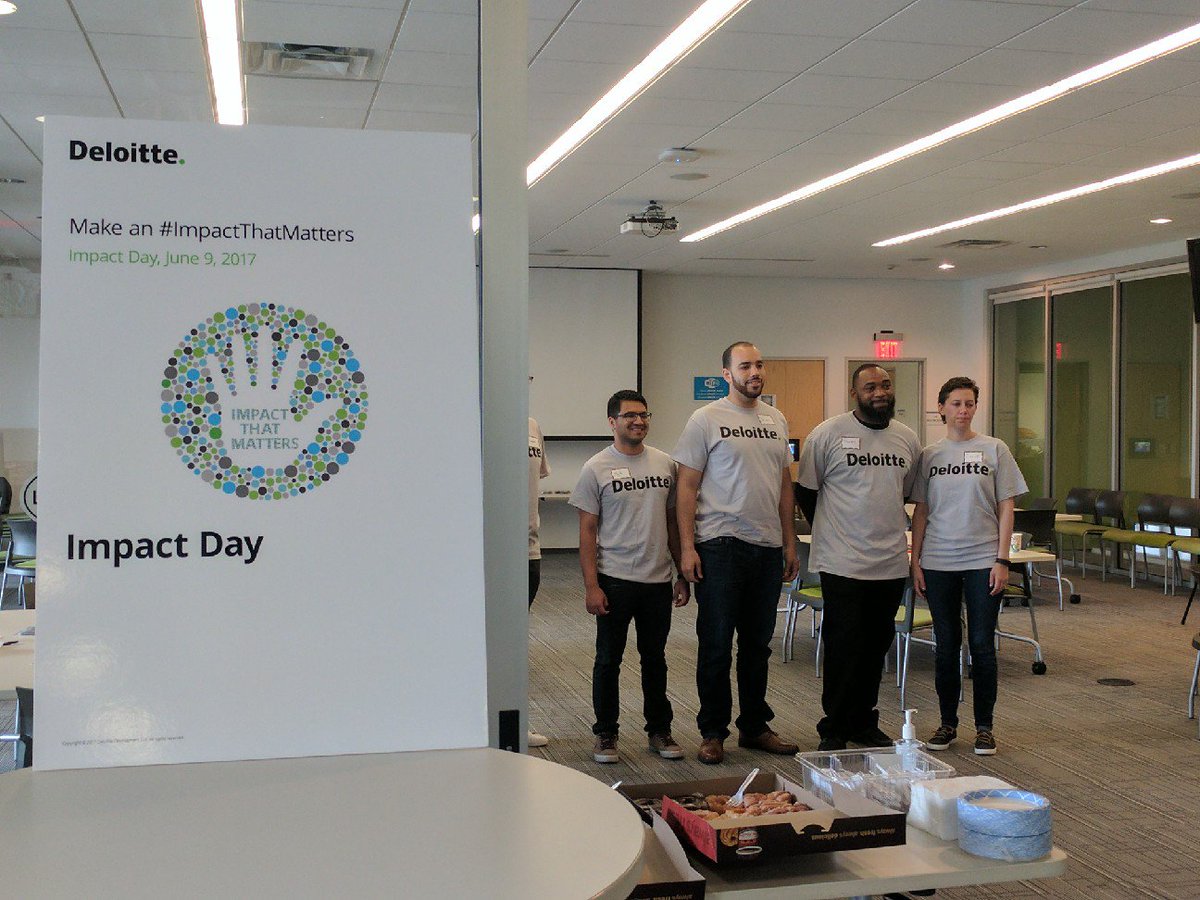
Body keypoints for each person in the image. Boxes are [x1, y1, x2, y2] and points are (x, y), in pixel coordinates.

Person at [673, 342, 800, 764]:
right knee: (716, 644)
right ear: (726, 374)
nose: (755, 372)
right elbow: (686, 487)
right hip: (720, 545)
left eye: (759, 364)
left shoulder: (775, 419)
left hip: (766, 547)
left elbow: (784, 485)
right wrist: (687, 547)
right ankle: (713, 731)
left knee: (757, 646)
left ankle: (754, 726)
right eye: (745, 366)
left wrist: (789, 541)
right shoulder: (706, 419)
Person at [796, 363, 922, 752]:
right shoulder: (827, 434)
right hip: (842, 560)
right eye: (870, 387)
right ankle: (834, 726)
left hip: (889, 561)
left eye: (885, 385)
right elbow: (807, 491)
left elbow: (904, 493)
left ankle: (864, 722)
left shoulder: (907, 439)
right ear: (855, 394)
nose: (879, 392)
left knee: (875, 645)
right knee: (843, 644)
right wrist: (834, 529)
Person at [569, 390, 690, 764]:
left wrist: (681, 574)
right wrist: (591, 586)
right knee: (608, 660)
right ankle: (606, 733)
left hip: (657, 580)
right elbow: (587, 531)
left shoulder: (665, 464)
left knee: (655, 659)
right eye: (629, 416)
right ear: (612, 422)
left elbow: (672, 522)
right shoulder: (596, 468)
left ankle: (659, 730)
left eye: (644, 415)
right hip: (614, 580)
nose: (639, 421)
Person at [909, 376, 1027, 756]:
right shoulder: (929, 455)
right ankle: (947, 723)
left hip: (983, 560)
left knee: (981, 644)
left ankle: (984, 728)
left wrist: (1002, 559)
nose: (963, 410)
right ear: (941, 408)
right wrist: (916, 562)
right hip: (938, 560)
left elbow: (1006, 507)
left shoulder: (994, 449)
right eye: (956, 404)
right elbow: (921, 511)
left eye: (970, 404)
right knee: (946, 645)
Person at [527, 415, 551, 748]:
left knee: (517, 641)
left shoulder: (532, 425)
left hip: (529, 550)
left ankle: (516, 715)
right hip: (491, 551)